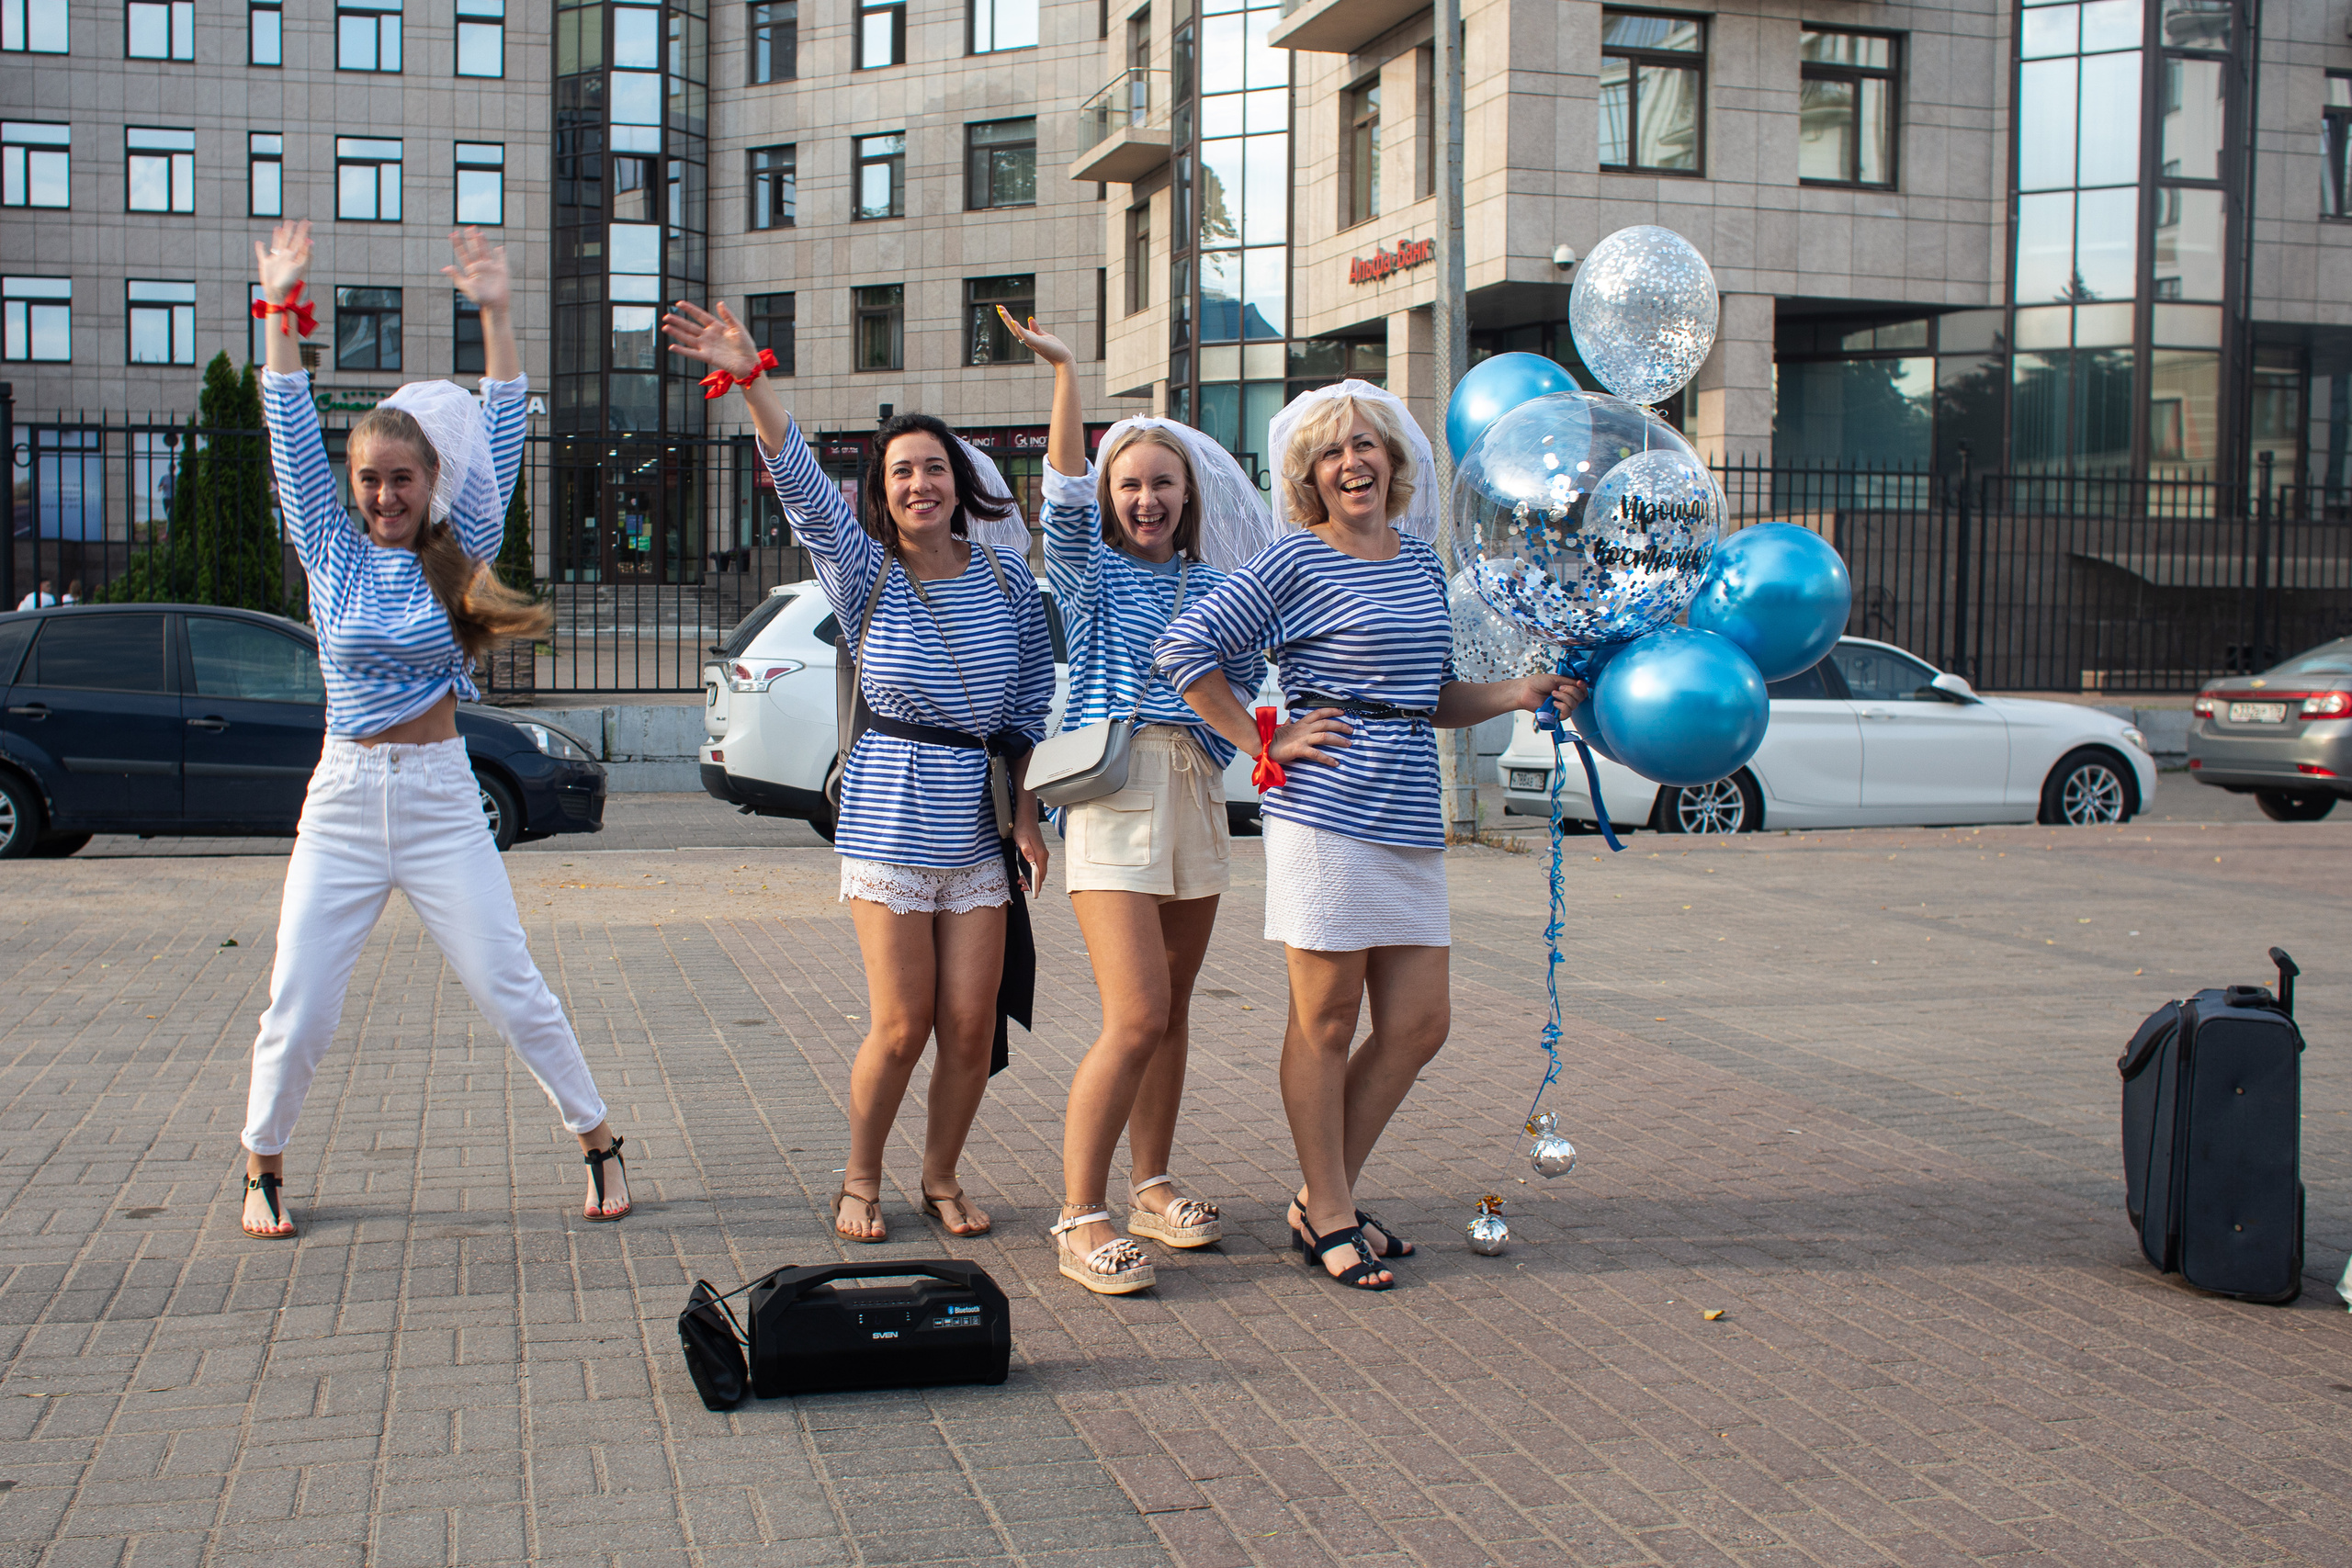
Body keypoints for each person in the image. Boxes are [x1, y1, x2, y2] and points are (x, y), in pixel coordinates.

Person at [241, 220, 630, 1239]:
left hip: (441, 798)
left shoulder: (461, 558)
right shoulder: (326, 543)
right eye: (369, 478)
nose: (383, 496)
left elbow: (504, 420)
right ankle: (263, 1162)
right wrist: (279, 309)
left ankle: (597, 1142)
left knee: (511, 985)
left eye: (401, 481)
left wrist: (498, 313)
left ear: (429, 486)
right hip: (341, 800)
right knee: (301, 1002)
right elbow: (286, 419)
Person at [1153, 380, 1586, 1291]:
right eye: (1330, 452)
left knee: (1420, 1024)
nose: (1352, 461)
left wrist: (1514, 692)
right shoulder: (1292, 562)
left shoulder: (1419, 562)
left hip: (1404, 811)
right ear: (1308, 475)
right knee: (1326, 1019)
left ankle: (1323, 1194)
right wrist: (1261, 736)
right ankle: (1329, 1209)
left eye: (1366, 445)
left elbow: (1425, 697)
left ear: (1393, 463)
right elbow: (1184, 652)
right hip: (1322, 812)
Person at [662, 299, 1054, 1245]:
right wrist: (755, 382)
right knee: (902, 1024)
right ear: (885, 490)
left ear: (961, 483)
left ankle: (941, 1174)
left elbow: (1027, 711)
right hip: (887, 817)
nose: (921, 483)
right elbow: (799, 485)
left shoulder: (1008, 582)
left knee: (970, 1027)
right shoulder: (862, 567)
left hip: (976, 825)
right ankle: (861, 1174)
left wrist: (1030, 818)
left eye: (935, 468)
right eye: (902, 471)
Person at [999, 310, 1272, 1294]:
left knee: (1175, 1010)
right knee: (1136, 1011)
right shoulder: (1089, 572)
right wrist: (1069, 373)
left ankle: (1151, 1186)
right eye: (1130, 483)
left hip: (1198, 792)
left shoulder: (1222, 582)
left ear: (1185, 493)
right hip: (1114, 794)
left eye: (1161, 482)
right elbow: (1061, 497)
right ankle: (1079, 1215)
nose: (1145, 497)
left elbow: (1242, 689)